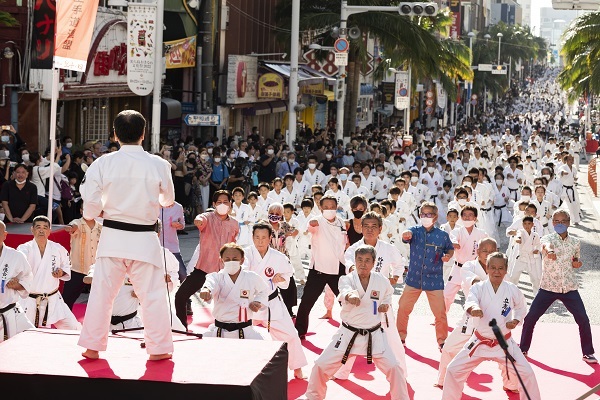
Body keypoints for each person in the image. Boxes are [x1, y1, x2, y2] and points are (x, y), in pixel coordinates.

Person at [77, 110, 175, 361]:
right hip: (144, 240)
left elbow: (90, 206)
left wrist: (97, 213)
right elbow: (168, 200)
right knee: (152, 296)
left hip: (112, 238)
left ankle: (92, 347)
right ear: (143, 134)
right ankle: (159, 349)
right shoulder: (159, 164)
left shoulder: (102, 163)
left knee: (102, 294)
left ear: (115, 135)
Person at [304, 245, 409, 400]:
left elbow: (388, 293)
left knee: (395, 368)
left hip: (374, 335)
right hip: (348, 334)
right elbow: (345, 290)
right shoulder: (347, 279)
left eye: (367, 260)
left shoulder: (381, 280)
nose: (363, 264)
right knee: (320, 365)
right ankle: (313, 397)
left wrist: (385, 304)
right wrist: (350, 296)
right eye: (359, 260)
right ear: (355, 261)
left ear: (374, 263)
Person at [442, 252, 541, 400]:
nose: (497, 271)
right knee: (452, 370)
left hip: (504, 343)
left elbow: (521, 307)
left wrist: (516, 319)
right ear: (487, 268)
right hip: (479, 341)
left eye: (501, 268)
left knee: (527, 373)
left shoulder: (512, 289)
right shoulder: (478, 288)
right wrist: (474, 309)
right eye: (493, 267)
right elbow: (470, 301)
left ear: (506, 270)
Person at [436, 238, 519, 393]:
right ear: (478, 251)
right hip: (472, 318)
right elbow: (473, 282)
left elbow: (509, 297)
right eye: (484, 250)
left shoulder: (501, 271)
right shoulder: (469, 266)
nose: (487, 253)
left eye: (491, 250)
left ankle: (511, 384)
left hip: (496, 321)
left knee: (506, 354)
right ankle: (443, 379)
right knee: (450, 347)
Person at [334, 212, 407, 380]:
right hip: (358, 299)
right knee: (349, 335)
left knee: (392, 339)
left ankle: (401, 373)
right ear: (360, 228)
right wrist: (355, 271)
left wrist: (395, 277)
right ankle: (342, 372)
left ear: (380, 228)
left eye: (374, 226)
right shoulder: (353, 249)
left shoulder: (388, 249)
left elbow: (400, 264)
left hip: (380, 299)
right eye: (366, 226)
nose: (370, 230)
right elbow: (350, 265)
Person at [519, 209, 597, 364]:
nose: (560, 224)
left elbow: (576, 260)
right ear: (553, 223)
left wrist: (577, 263)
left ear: (568, 223)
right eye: (557, 221)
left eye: (563, 221)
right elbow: (546, 246)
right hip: (548, 287)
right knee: (530, 318)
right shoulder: (547, 238)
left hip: (569, 287)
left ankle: (588, 353)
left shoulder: (575, 242)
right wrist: (550, 251)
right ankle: (523, 349)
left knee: (583, 319)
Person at [244, 222, 308, 378]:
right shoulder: (245, 255)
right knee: (236, 334)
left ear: (270, 238)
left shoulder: (278, 257)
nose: (260, 241)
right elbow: (240, 274)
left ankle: (297, 367)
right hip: (249, 303)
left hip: (272, 302)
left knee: (291, 335)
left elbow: (287, 279)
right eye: (257, 237)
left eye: (264, 237)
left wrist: (280, 279)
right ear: (252, 237)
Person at [175, 190, 239, 328]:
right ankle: (181, 327)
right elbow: (200, 219)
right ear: (214, 204)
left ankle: (231, 328)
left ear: (230, 204)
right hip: (203, 269)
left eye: (226, 202)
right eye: (219, 202)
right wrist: (198, 220)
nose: (223, 205)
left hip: (224, 272)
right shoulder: (208, 217)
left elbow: (234, 245)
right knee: (180, 296)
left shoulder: (234, 224)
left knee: (232, 302)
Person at [397, 201, 454, 349]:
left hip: (434, 279)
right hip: (413, 278)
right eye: (423, 214)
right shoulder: (414, 231)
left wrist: (447, 256)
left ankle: (442, 341)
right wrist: (405, 235)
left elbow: (450, 249)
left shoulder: (442, 235)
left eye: (429, 214)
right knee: (403, 308)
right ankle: (399, 338)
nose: (425, 217)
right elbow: (405, 237)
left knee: (440, 313)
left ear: (435, 217)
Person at [295, 195, 347, 339]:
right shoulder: (316, 221)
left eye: (332, 207)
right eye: (326, 207)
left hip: (338, 268)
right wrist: (311, 225)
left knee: (346, 302)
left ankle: (353, 329)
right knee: (306, 302)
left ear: (336, 207)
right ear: (320, 208)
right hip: (319, 268)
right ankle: (299, 331)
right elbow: (310, 227)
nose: (329, 209)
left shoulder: (341, 222)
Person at [18, 216, 80, 330]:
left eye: (45, 227)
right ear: (32, 229)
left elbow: (66, 266)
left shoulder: (58, 248)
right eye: (38, 227)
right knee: (23, 334)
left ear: (49, 231)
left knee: (74, 328)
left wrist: (61, 273)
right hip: (30, 301)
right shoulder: (24, 249)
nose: (42, 230)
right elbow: (19, 265)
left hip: (54, 299)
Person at [200, 243, 268, 339]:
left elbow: (264, 290)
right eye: (227, 259)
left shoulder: (251, 277)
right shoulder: (217, 277)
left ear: (242, 260)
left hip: (245, 330)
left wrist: (258, 301)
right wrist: (206, 290)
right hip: (220, 331)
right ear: (221, 260)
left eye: (235, 259)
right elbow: (210, 284)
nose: (231, 262)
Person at [444, 206, 488, 312]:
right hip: (458, 268)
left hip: (473, 270)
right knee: (446, 294)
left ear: (475, 218)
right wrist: (454, 243)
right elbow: (452, 238)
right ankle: (441, 318)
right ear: (461, 217)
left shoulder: (482, 234)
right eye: (465, 215)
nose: (467, 218)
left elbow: (488, 248)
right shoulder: (457, 231)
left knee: (474, 298)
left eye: (470, 215)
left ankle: (475, 323)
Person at [0, 221, 34, 342]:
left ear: (4, 235)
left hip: (11, 311)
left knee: (32, 340)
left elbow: (28, 276)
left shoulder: (16, 256)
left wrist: (18, 285)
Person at [61, 213, 102, 309]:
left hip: (97, 271)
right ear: (81, 210)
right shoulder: (78, 222)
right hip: (77, 270)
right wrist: (70, 228)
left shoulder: (101, 227)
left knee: (101, 302)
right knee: (66, 301)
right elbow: (73, 226)